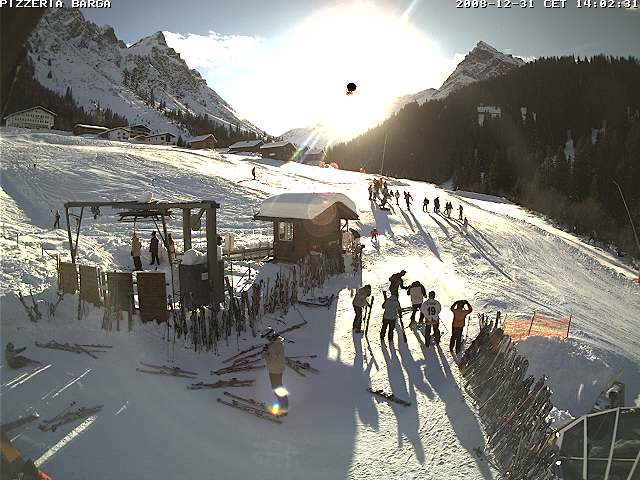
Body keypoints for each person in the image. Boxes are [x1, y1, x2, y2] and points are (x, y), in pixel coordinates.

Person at [261, 327, 288, 416]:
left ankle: (283, 408)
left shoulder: (275, 345)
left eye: (267, 337)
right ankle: (283, 405)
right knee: (278, 387)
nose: (266, 339)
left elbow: (270, 359)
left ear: (270, 335)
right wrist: (266, 350)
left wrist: (265, 352)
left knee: (277, 388)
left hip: (275, 369)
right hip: (276, 368)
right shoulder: (275, 343)